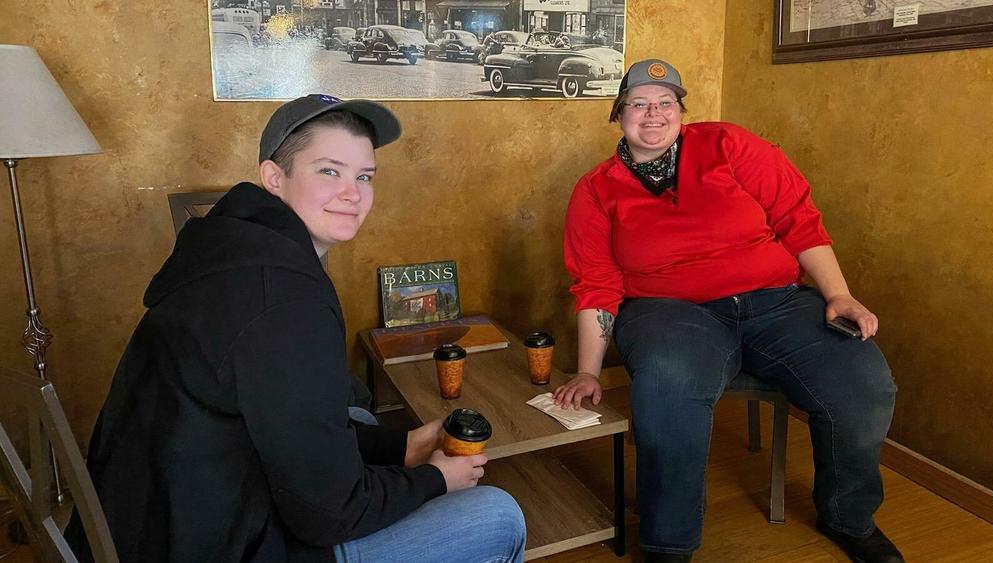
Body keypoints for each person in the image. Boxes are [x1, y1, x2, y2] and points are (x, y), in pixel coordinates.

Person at [67, 94, 526, 563]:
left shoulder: (233, 246)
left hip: (152, 516)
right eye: (329, 170)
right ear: (274, 177)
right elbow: (329, 515)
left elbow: (280, 417)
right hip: (215, 543)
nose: (353, 193)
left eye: (364, 176)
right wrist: (436, 480)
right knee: (497, 515)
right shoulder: (282, 302)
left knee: (365, 421)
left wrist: (401, 445)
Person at [555, 60, 903, 563]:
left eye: (665, 103)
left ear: (680, 111)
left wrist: (838, 295)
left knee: (864, 381)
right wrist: (589, 371)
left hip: (776, 301)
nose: (653, 114)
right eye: (638, 104)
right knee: (667, 385)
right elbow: (597, 285)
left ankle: (849, 517)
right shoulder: (596, 188)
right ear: (618, 114)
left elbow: (797, 219)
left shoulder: (727, 144)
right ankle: (668, 545)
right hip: (669, 311)